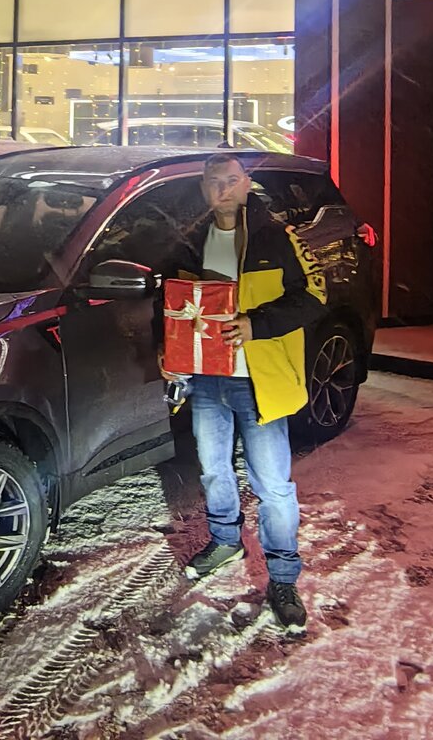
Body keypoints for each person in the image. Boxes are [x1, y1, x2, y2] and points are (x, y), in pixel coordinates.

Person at [160, 151, 327, 634]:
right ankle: (225, 540)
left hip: (259, 378)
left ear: (246, 183)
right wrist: (167, 351)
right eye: (214, 182)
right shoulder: (188, 242)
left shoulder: (278, 236)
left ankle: (283, 578)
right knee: (214, 470)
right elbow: (171, 306)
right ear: (203, 189)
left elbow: (316, 296)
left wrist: (258, 324)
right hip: (207, 378)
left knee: (272, 484)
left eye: (231, 180)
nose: (223, 189)